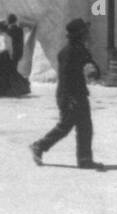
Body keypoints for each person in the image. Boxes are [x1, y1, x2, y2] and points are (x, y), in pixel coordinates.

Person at [32, 18, 102, 169]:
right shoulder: (69, 52)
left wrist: (93, 71)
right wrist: (70, 98)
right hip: (70, 94)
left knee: (85, 127)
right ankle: (39, 146)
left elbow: (91, 66)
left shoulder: (79, 49)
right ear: (80, 34)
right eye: (85, 32)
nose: (88, 34)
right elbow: (66, 77)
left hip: (77, 94)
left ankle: (84, 160)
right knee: (65, 126)